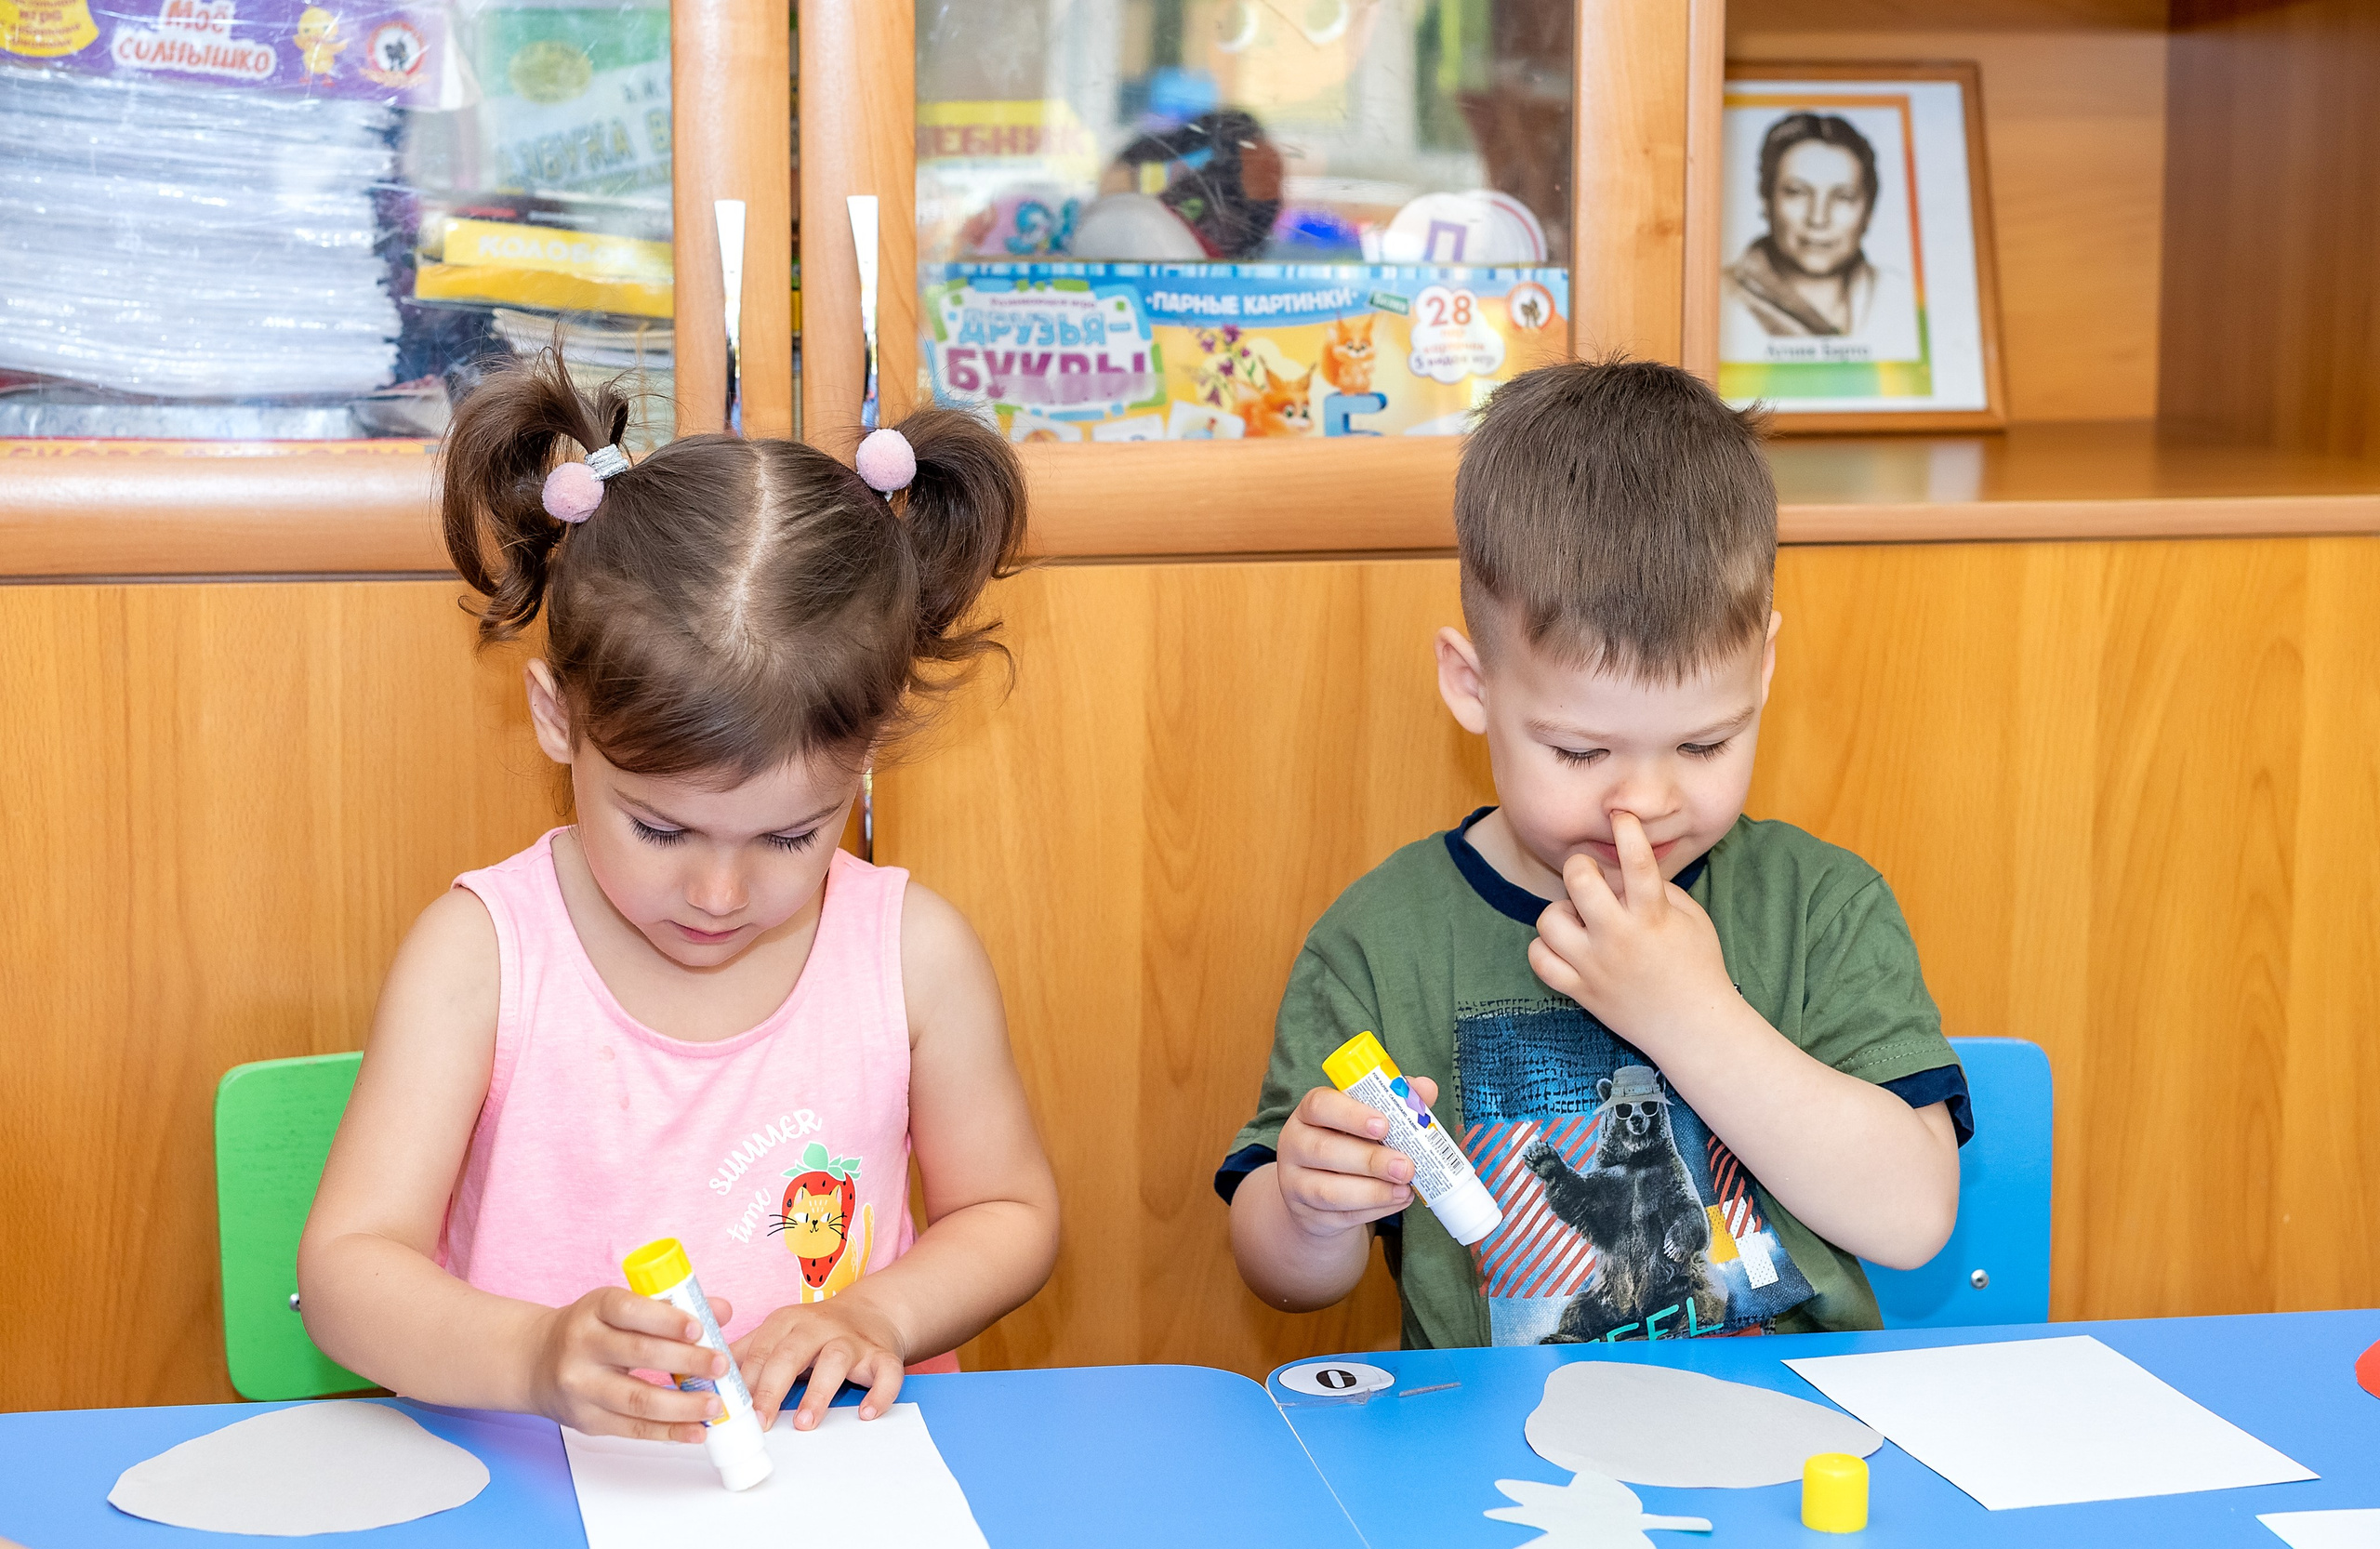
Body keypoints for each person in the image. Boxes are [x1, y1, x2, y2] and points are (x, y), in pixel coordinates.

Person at [299, 351, 1061, 1442]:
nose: (716, 892)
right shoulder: (481, 957)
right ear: (559, 718)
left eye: (791, 836)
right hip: (542, 1488)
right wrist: (533, 1357)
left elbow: (1010, 1214)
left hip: (832, 1488)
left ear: (870, 750)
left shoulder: (911, 953)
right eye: (659, 827)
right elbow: (345, 1272)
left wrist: (872, 1312)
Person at [1220, 358, 1969, 1347]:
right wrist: (1311, 1210)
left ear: (1764, 670)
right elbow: (1286, 1281)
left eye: (1704, 744)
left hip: (1788, 1442)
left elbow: (1912, 1221)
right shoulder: (1380, 942)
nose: (1648, 802)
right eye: (1579, 751)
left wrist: (1689, 1015)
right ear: (1472, 684)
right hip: (1499, 1458)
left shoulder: (1818, 907)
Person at [1722, 112, 1915, 351]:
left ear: (1869, 210)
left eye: (1842, 197)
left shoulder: (1902, 298)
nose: (1818, 218)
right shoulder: (1720, 299)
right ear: (1766, 200)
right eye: (1797, 192)